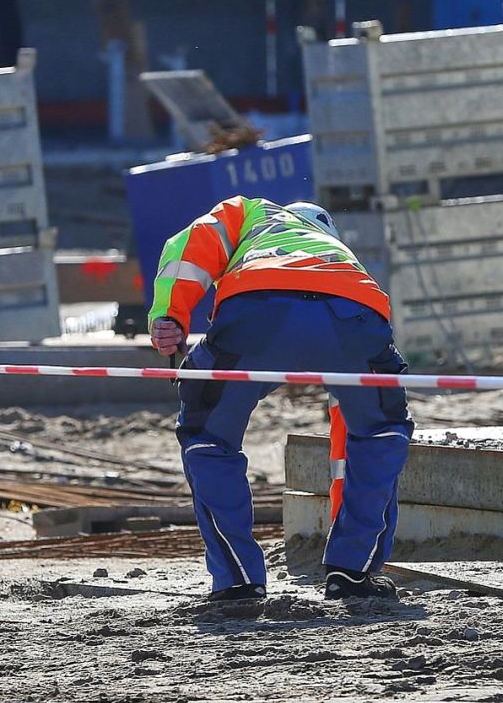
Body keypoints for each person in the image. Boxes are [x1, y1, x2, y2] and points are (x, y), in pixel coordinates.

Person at [148, 197, 413, 603]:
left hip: (256, 309)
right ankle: (352, 573)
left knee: (208, 439)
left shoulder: (257, 212)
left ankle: (238, 581)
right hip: (352, 313)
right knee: (380, 435)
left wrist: (171, 314)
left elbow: (195, 242)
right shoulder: (338, 253)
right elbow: (351, 438)